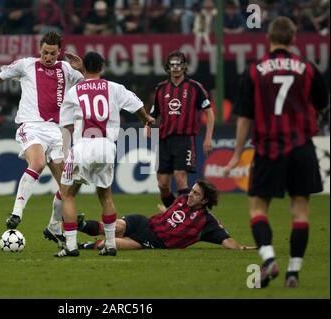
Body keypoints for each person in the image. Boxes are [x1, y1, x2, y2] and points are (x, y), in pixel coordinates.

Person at [223, 16, 329, 288]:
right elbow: (321, 104)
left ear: (268, 39)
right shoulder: (307, 68)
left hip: (269, 147)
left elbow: (244, 117)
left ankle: (269, 259)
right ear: (294, 39)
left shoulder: (254, 71)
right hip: (302, 147)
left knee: (258, 207)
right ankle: (294, 272)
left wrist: (236, 153)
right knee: (300, 211)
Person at [0, 31, 84, 241]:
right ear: (40, 50)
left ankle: (54, 227)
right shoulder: (25, 65)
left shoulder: (67, 69)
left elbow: (90, 88)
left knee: (67, 185)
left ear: (59, 53)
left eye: (53, 54)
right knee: (36, 163)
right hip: (31, 126)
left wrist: (82, 71)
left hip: (57, 131)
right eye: (45, 52)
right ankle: (16, 213)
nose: (48, 57)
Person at [55, 52, 154, 257]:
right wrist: (146, 118)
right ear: (102, 67)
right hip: (107, 147)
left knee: (68, 194)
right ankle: (110, 245)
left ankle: (71, 246)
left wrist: (65, 152)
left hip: (83, 146)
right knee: (105, 196)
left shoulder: (74, 92)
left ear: (84, 69)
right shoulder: (114, 88)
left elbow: (66, 126)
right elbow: (136, 105)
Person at [77, 179, 253, 251]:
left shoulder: (206, 222)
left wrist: (244, 248)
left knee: (112, 243)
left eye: (197, 194)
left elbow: (227, 241)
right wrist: (165, 212)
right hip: (144, 222)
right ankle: (79, 225)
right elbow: (174, 215)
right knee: (114, 227)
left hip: (155, 241)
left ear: (205, 201)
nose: (191, 194)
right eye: (192, 190)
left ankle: (81, 246)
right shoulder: (183, 199)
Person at [147, 50, 214, 210]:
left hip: (184, 139)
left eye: (179, 64)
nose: (176, 68)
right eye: (172, 65)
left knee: (179, 176)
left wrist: (208, 137)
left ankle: (184, 216)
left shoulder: (195, 87)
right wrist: (147, 124)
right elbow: (153, 113)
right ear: (168, 68)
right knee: (162, 184)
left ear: (184, 67)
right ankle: (175, 213)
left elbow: (209, 112)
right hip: (164, 139)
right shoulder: (161, 88)